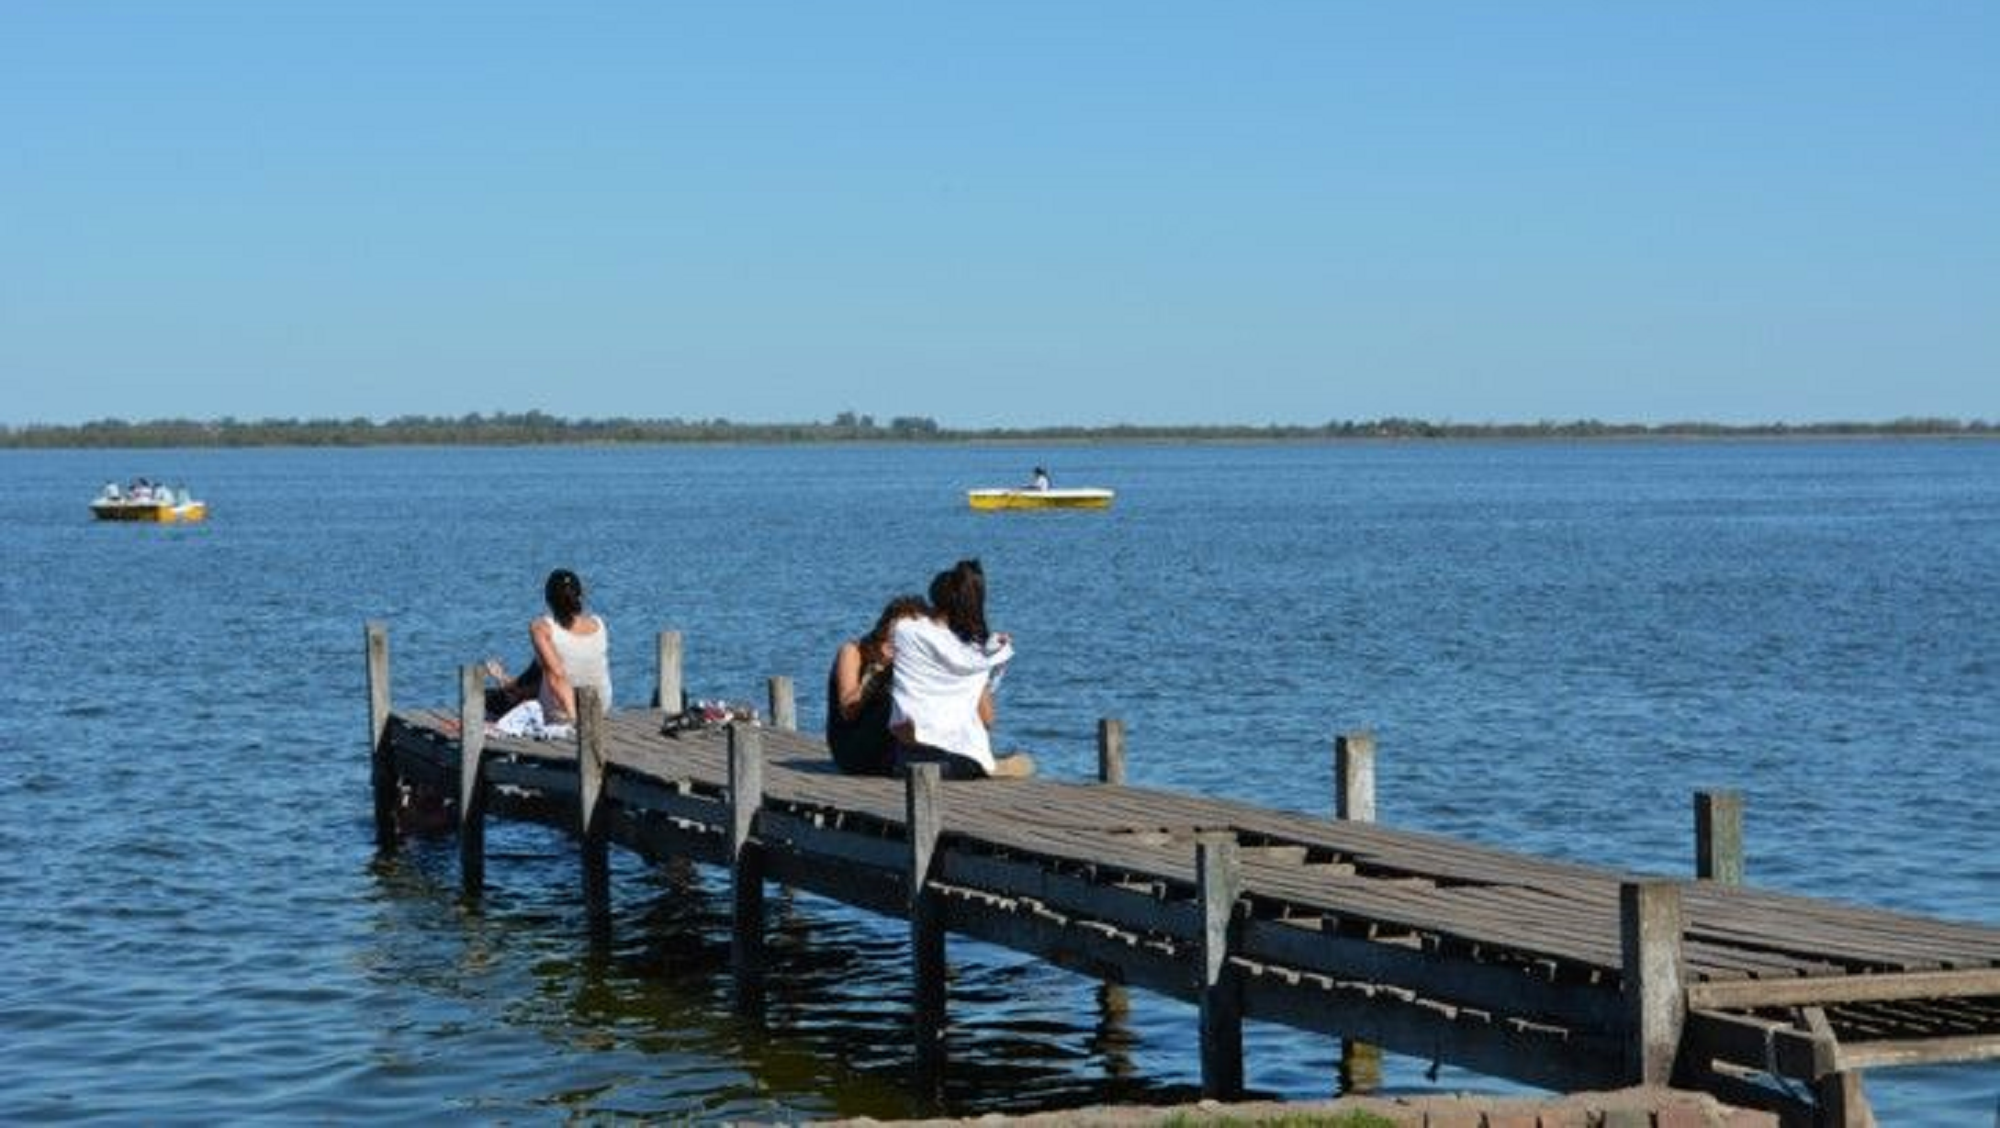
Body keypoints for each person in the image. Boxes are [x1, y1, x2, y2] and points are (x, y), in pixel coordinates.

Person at [888, 559, 1035, 779]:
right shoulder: (972, 653)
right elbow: (987, 719)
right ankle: (993, 766)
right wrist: (986, 660)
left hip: (904, 756)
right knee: (1025, 764)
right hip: (954, 760)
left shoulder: (905, 630)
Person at [825, 594, 929, 776]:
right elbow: (848, 711)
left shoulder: (912, 658)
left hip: (892, 749)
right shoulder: (853, 652)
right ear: (886, 628)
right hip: (851, 749)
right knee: (894, 701)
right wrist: (878, 669)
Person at [530, 568, 612, 724]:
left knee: (508, 700)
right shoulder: (598, 623)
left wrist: (573, 718)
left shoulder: (541, 627)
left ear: (548, 599)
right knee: (540, 671)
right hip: (600, 706)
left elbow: (557, 675)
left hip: (565, 711)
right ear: (581, 595)